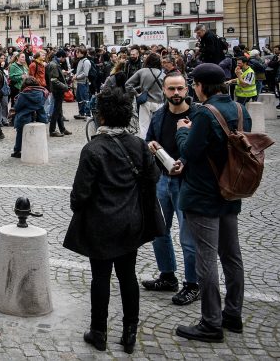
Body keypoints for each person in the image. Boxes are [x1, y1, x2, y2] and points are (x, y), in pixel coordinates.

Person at [63, 86, 160, 353]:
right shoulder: (138, 145)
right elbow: (153, 178)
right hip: (131, 221)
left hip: (101, 223)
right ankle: (130, 333)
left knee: (100, 278)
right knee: (128, 276)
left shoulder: (94, 148)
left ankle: (99, 331)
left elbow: (79, 195)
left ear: (101, 116)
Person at [172, 63, 249, 342]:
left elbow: (189, 152)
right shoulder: (241, 110)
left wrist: (183, 129)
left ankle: (211, 322)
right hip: (230, 189)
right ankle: (233, 314)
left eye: (194, 84)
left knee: (207, 259)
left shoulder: (205, 113)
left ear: (201, 86)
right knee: (231, 255)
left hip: (203, 194)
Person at [142, 71, 199, 306]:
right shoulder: (159, 115)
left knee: (188, 237)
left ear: (187, 90)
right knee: (159, 232)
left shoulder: (198, 115)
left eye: (180, 89)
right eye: (171, 89)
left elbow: (203, 148)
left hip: (188, 182)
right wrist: (151, 146)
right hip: (162, 179)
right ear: (164, 91)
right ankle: (167, 276)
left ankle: (193, 284)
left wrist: (184, 163)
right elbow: (148, 140)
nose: (176, 93)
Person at [125, 53, 165, 138]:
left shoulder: (142, 71)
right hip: (159, 103)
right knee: (158, 126)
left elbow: (128, 84)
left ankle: (144, 146)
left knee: (144, 126)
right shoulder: (162, 74)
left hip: (145, 101)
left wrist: (136, 94)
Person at [12, 76, 49, 159]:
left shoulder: (24, 94)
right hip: (40, 117)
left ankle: (17, 150)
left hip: (25, 117)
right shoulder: (42, 92)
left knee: (19, 132)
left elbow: (17, 107)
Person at [47, 49, 72, 137]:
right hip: (57, 90)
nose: (64, 60)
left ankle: (62, 129)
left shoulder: (55, 63)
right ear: (61, 57)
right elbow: (54, 80)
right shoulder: (54, 65)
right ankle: (52, 130)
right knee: (56, 111)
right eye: (64, 58)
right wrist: (65, 87)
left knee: (59, 110)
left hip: (57, 89)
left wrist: (62, 73)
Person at [73, 47, 93, 120]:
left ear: (82, 53)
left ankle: (87, 113)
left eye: (78, 52)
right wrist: (76, 75)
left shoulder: (86, 61)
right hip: (79, 82)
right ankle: (81, 113)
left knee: (85, 98)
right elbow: (80, 72)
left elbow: (85, 73)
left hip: (83, 82)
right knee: (79, 98)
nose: (76, 53)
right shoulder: (80, 60)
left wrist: (76, 77)